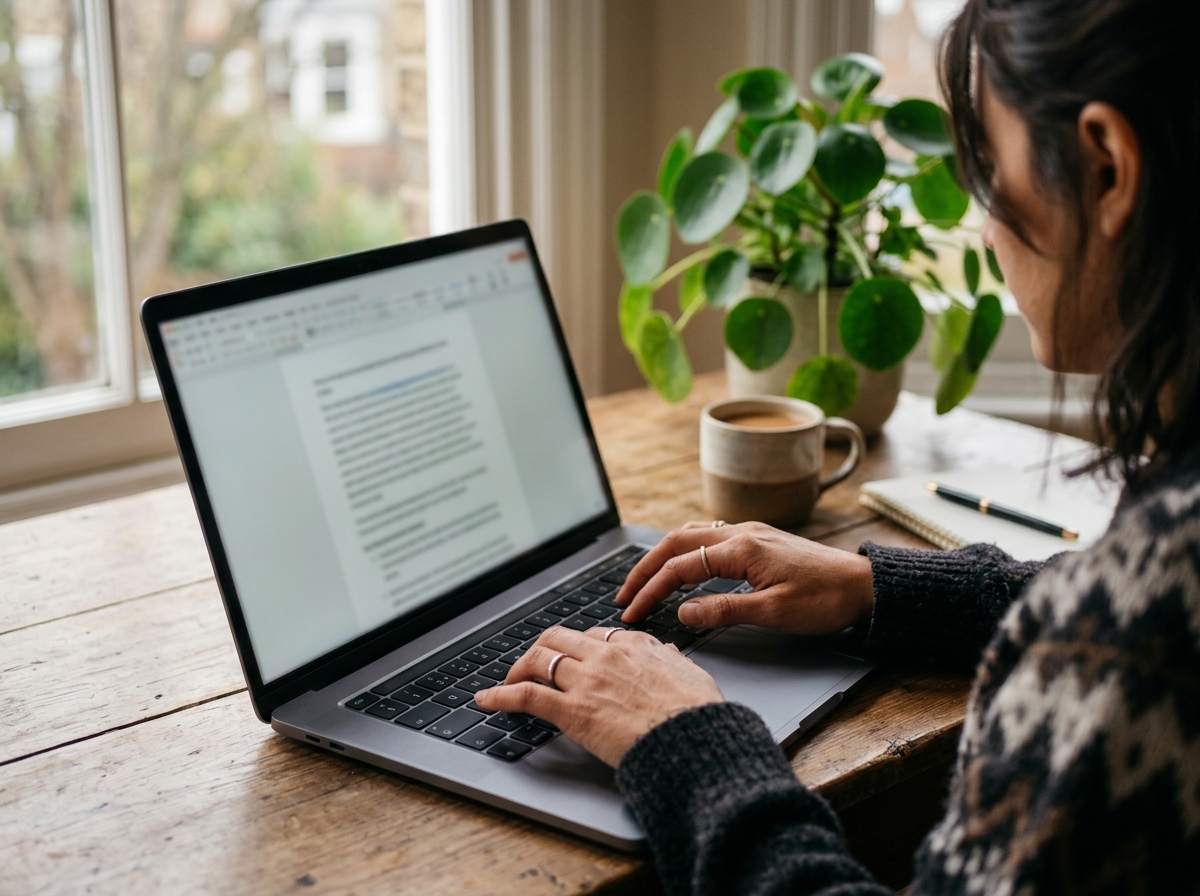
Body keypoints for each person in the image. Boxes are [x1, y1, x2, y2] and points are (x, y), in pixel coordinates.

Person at [474, 0, 1200, 891]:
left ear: (1108, 167)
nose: (983, 228)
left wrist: (690, 746)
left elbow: (1137, 625)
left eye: (991, 173)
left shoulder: (1154, 606)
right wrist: (879, 587)